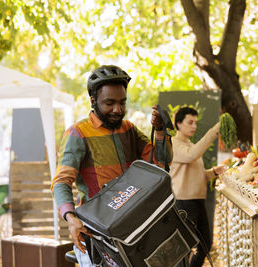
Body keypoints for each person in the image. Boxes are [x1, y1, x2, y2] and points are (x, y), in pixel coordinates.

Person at [50, 65, 172, 266]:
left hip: (132, 231)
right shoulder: (78, 133)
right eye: (110, 103)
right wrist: (71, 218)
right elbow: (61, 181)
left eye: (122, 103)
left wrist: (159, 130)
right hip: (97, 237)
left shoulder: (129, 129)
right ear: (93, 101)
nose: (118, 109)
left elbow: (161, 162)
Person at [169, 107, 225, 267]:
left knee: (205, 244)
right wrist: (215, 130)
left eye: (195, 123)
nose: (194, 126)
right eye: (190, 122)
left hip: (197, 201)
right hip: (184, 202)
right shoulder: (174, 144)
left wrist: (213, 172)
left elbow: (197, 175)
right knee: (184, 249)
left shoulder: (189, 145)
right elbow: (191, 155)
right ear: (178, 124)